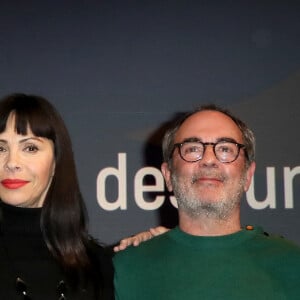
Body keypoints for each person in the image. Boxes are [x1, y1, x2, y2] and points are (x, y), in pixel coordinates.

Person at [113, 104, 300, 299]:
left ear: (248, 175)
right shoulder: (127, 268)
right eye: (193, 148)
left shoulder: (292, 264)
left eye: (225, 149)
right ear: (168, 175)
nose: (209, 160)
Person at [0, 93, 114, 299]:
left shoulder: (99, 266)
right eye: (0, 148)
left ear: (55, 162)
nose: (11, 162)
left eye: (30, 147)